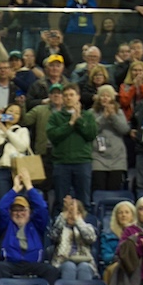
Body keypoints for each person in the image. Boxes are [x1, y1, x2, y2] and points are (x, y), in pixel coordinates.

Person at [0, 174, 56, 285]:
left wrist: (29, 186)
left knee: (51, 270)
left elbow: (42, 208)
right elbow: (1, 208)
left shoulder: (36, 225)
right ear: (10, 212)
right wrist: (15, 189)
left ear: (29, 211)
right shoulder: (6, 225)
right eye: (15, 210)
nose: (19, 213)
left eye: (22, 210)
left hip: (33, 264)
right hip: (10, 264)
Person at [47, 83, 97, 214]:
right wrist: (70, 124)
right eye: (66, 95)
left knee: (84, 201)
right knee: (60, 201)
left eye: (71, 95)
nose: (68, 98)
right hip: (61, 163)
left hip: (82, 162)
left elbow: (91, 134)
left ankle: (86, 230)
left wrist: (78, 119)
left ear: (78, 97)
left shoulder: (88, 116)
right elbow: (53, 135)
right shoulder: (55, 117)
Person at [50, 196, 97, 281]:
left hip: (85, 261)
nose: (72, 216)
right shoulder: (61, 227)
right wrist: (63, 216)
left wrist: (77, 220)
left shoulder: (87, 227)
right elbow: (54, 236)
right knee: (69, 266)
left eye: (76, 213)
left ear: (82, 215)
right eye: (70, 212)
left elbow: (91, 238)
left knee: (84, 267)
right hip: (62, 262)